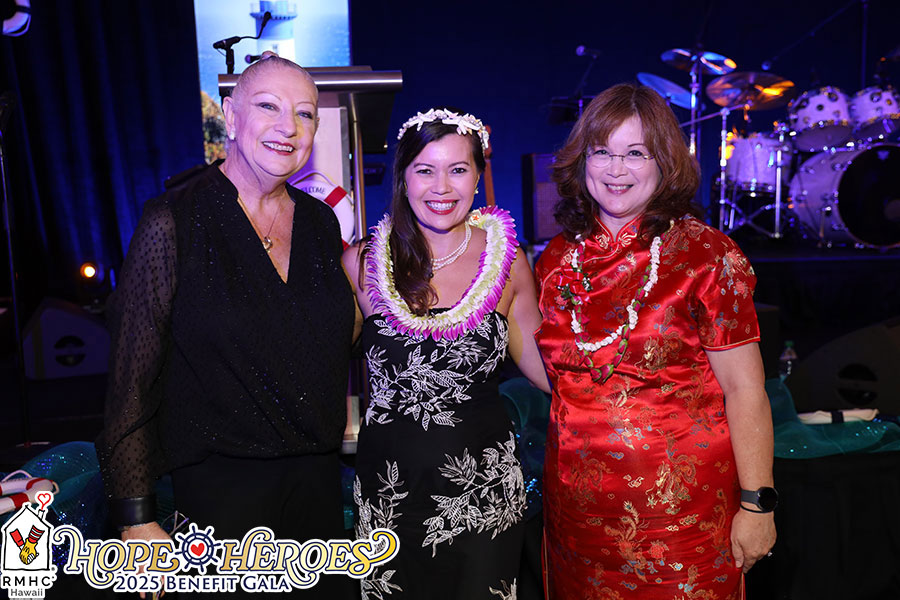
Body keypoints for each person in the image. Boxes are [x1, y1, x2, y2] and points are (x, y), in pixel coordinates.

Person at [96, 55, 357, 598]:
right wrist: (136, 518)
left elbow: (320, 343)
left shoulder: (319, 222)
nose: (288, 127)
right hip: (220, 501)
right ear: (231, 117)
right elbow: (129, 384)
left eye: (304, 113)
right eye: (269, 107)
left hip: (317, 490)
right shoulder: (173, 219)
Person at [534, 83, 776, 599]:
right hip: (575, 523)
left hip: (682, 522)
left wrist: (757, 504)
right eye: (602, 152)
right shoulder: (555, 259)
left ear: (664, 161)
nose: (616, 169)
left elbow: (746, 390)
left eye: (635, 153)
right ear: (582, 160)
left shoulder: (705, 254)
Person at [343, 108, 550, 599]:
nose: (442, 187)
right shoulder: (361, 263)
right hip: (389, 501)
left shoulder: (508, 262)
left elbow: (550, 371)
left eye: (458, 169)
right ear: (403, 177)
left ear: (478, 177)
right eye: (425, 170)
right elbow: (317, 365)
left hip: (484, 499)